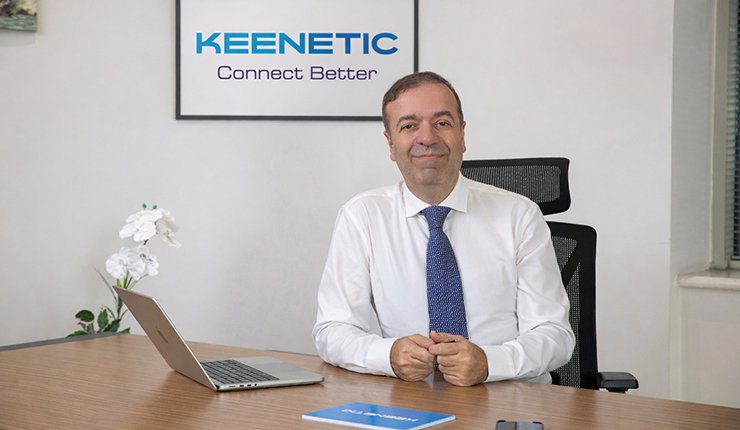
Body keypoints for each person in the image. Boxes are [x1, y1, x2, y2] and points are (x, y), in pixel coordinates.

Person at [312, 71, 575, 386]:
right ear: (391, 144)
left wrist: (490, 363)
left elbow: (555, 335)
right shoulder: (362, 216)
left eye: (442, 123)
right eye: (409, 126)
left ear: (462, 135)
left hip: (509, 395)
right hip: (410, 399)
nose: (427, 138)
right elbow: (333, 330)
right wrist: (388, 355)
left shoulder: (519, 215)